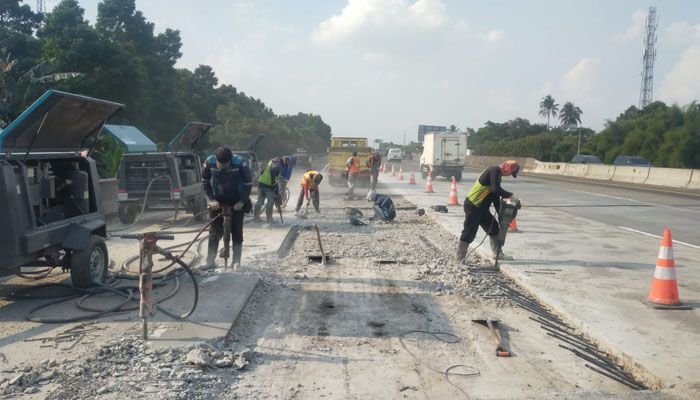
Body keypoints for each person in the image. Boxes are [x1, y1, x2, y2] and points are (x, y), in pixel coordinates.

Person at [456, 160, 520, 263]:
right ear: (508, 168)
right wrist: (510, 195)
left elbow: (495, 197)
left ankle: (497, 254)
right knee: (469, 231)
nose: (509, 175)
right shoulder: (493, 170)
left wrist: (501, 214)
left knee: (494, 228)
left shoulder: (497, 176)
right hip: (473, 205)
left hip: (482, 208)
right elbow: (496, 189)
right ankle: (460, 258)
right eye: (511, 173)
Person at [202, 147, 253, 269]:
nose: (223, 167)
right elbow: (205, 181)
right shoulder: (209, 162)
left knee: (236, 231)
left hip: (236, 201)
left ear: (230, 160)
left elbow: (248, 184)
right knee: (214, 232)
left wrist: (241, 201)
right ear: (216, 160)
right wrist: (211, 199)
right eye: (221, 165)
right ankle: (210, 261)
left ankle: (236, 262)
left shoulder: (241, 163)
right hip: (217, 201)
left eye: (226, 165)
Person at [254, 156, 287, 223]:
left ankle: (256, 218)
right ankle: (269, 219)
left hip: (261, 182)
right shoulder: (278, 166)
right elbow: (274, 173)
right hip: (268, 186)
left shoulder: (272, 161)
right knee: (270, 201)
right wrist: (272, 184)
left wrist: (275, 186)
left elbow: (264, 171)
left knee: (260, 200)